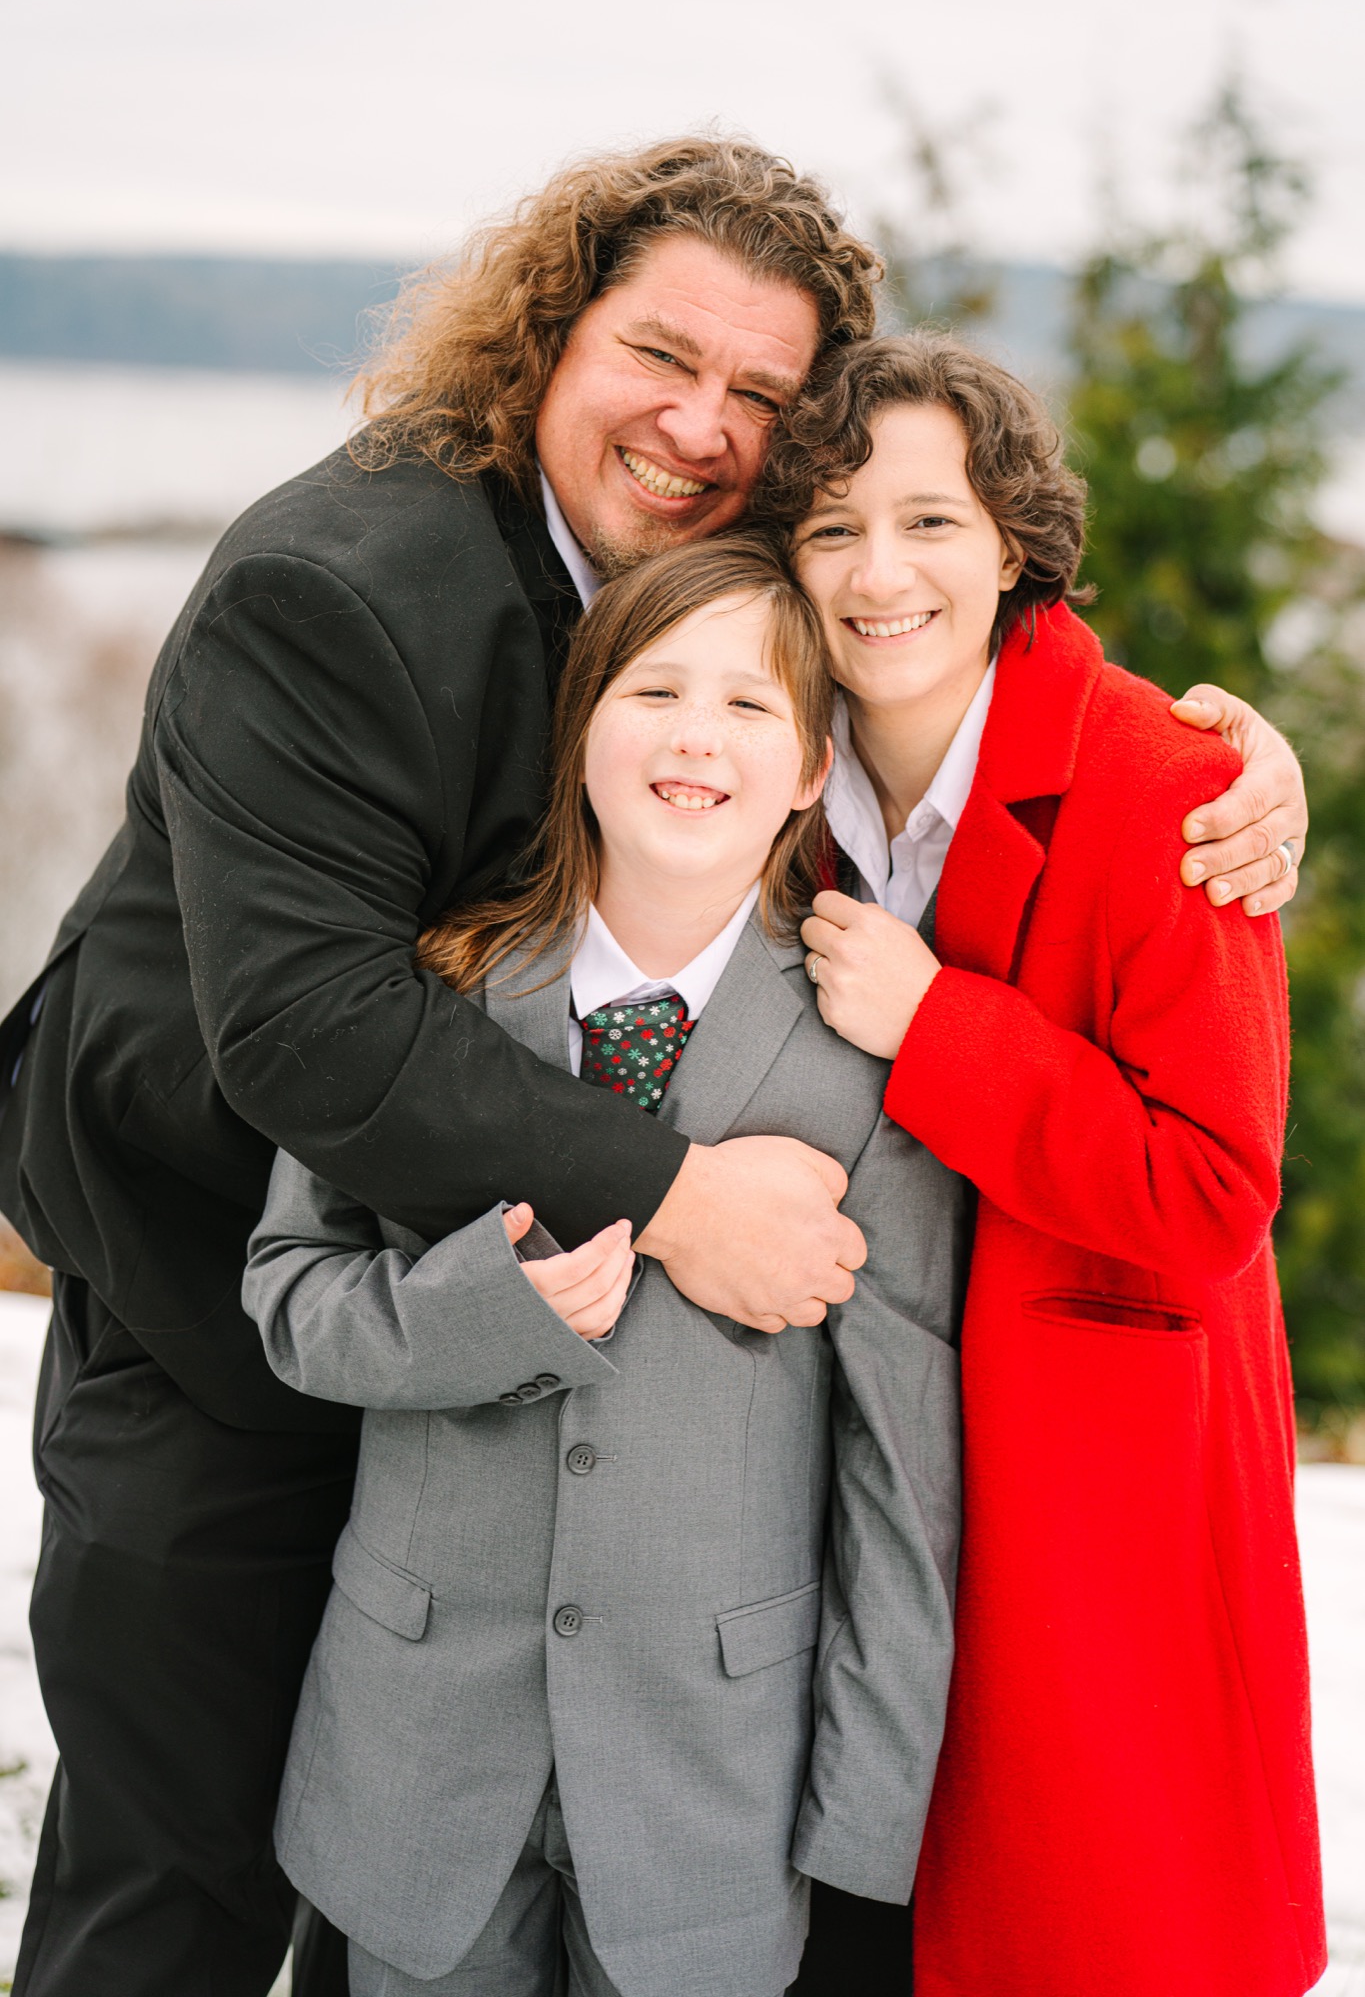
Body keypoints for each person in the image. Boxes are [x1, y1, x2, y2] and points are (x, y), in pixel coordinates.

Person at [0, 134, 1307, 1997]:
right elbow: (311, 1031)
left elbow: (933, 609)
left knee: (429, 1850)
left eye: (760, 394)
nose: (700, 424)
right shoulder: (336, 580)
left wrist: (1225, 756)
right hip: (212, 1276)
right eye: (657, 355)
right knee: (182, 1879)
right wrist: (684, 1200)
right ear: (548, 333)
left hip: (540, 1412)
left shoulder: (720, 568)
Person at [241, 534, 965, 1997]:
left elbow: (902, 1464)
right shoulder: (431, 993)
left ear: (814, 768)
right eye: (654, 691)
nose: (697, 736)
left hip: (713, 1777)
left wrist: (869, 1814)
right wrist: (466, 1316)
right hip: (416, 1753)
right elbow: (289, 1294)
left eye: (753, 707)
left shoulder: (870, 1050)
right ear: (582, 726)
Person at [760, 333, 1325, 1997]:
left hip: (1086, 1466)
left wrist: (937, 1029)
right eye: (830, 527)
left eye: (930, 522)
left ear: (1011, 542)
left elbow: (1208, 1194)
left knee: (1077, 1923)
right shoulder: (774, 761)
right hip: (836, 1440)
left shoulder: (1172, 791)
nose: (880, 575)